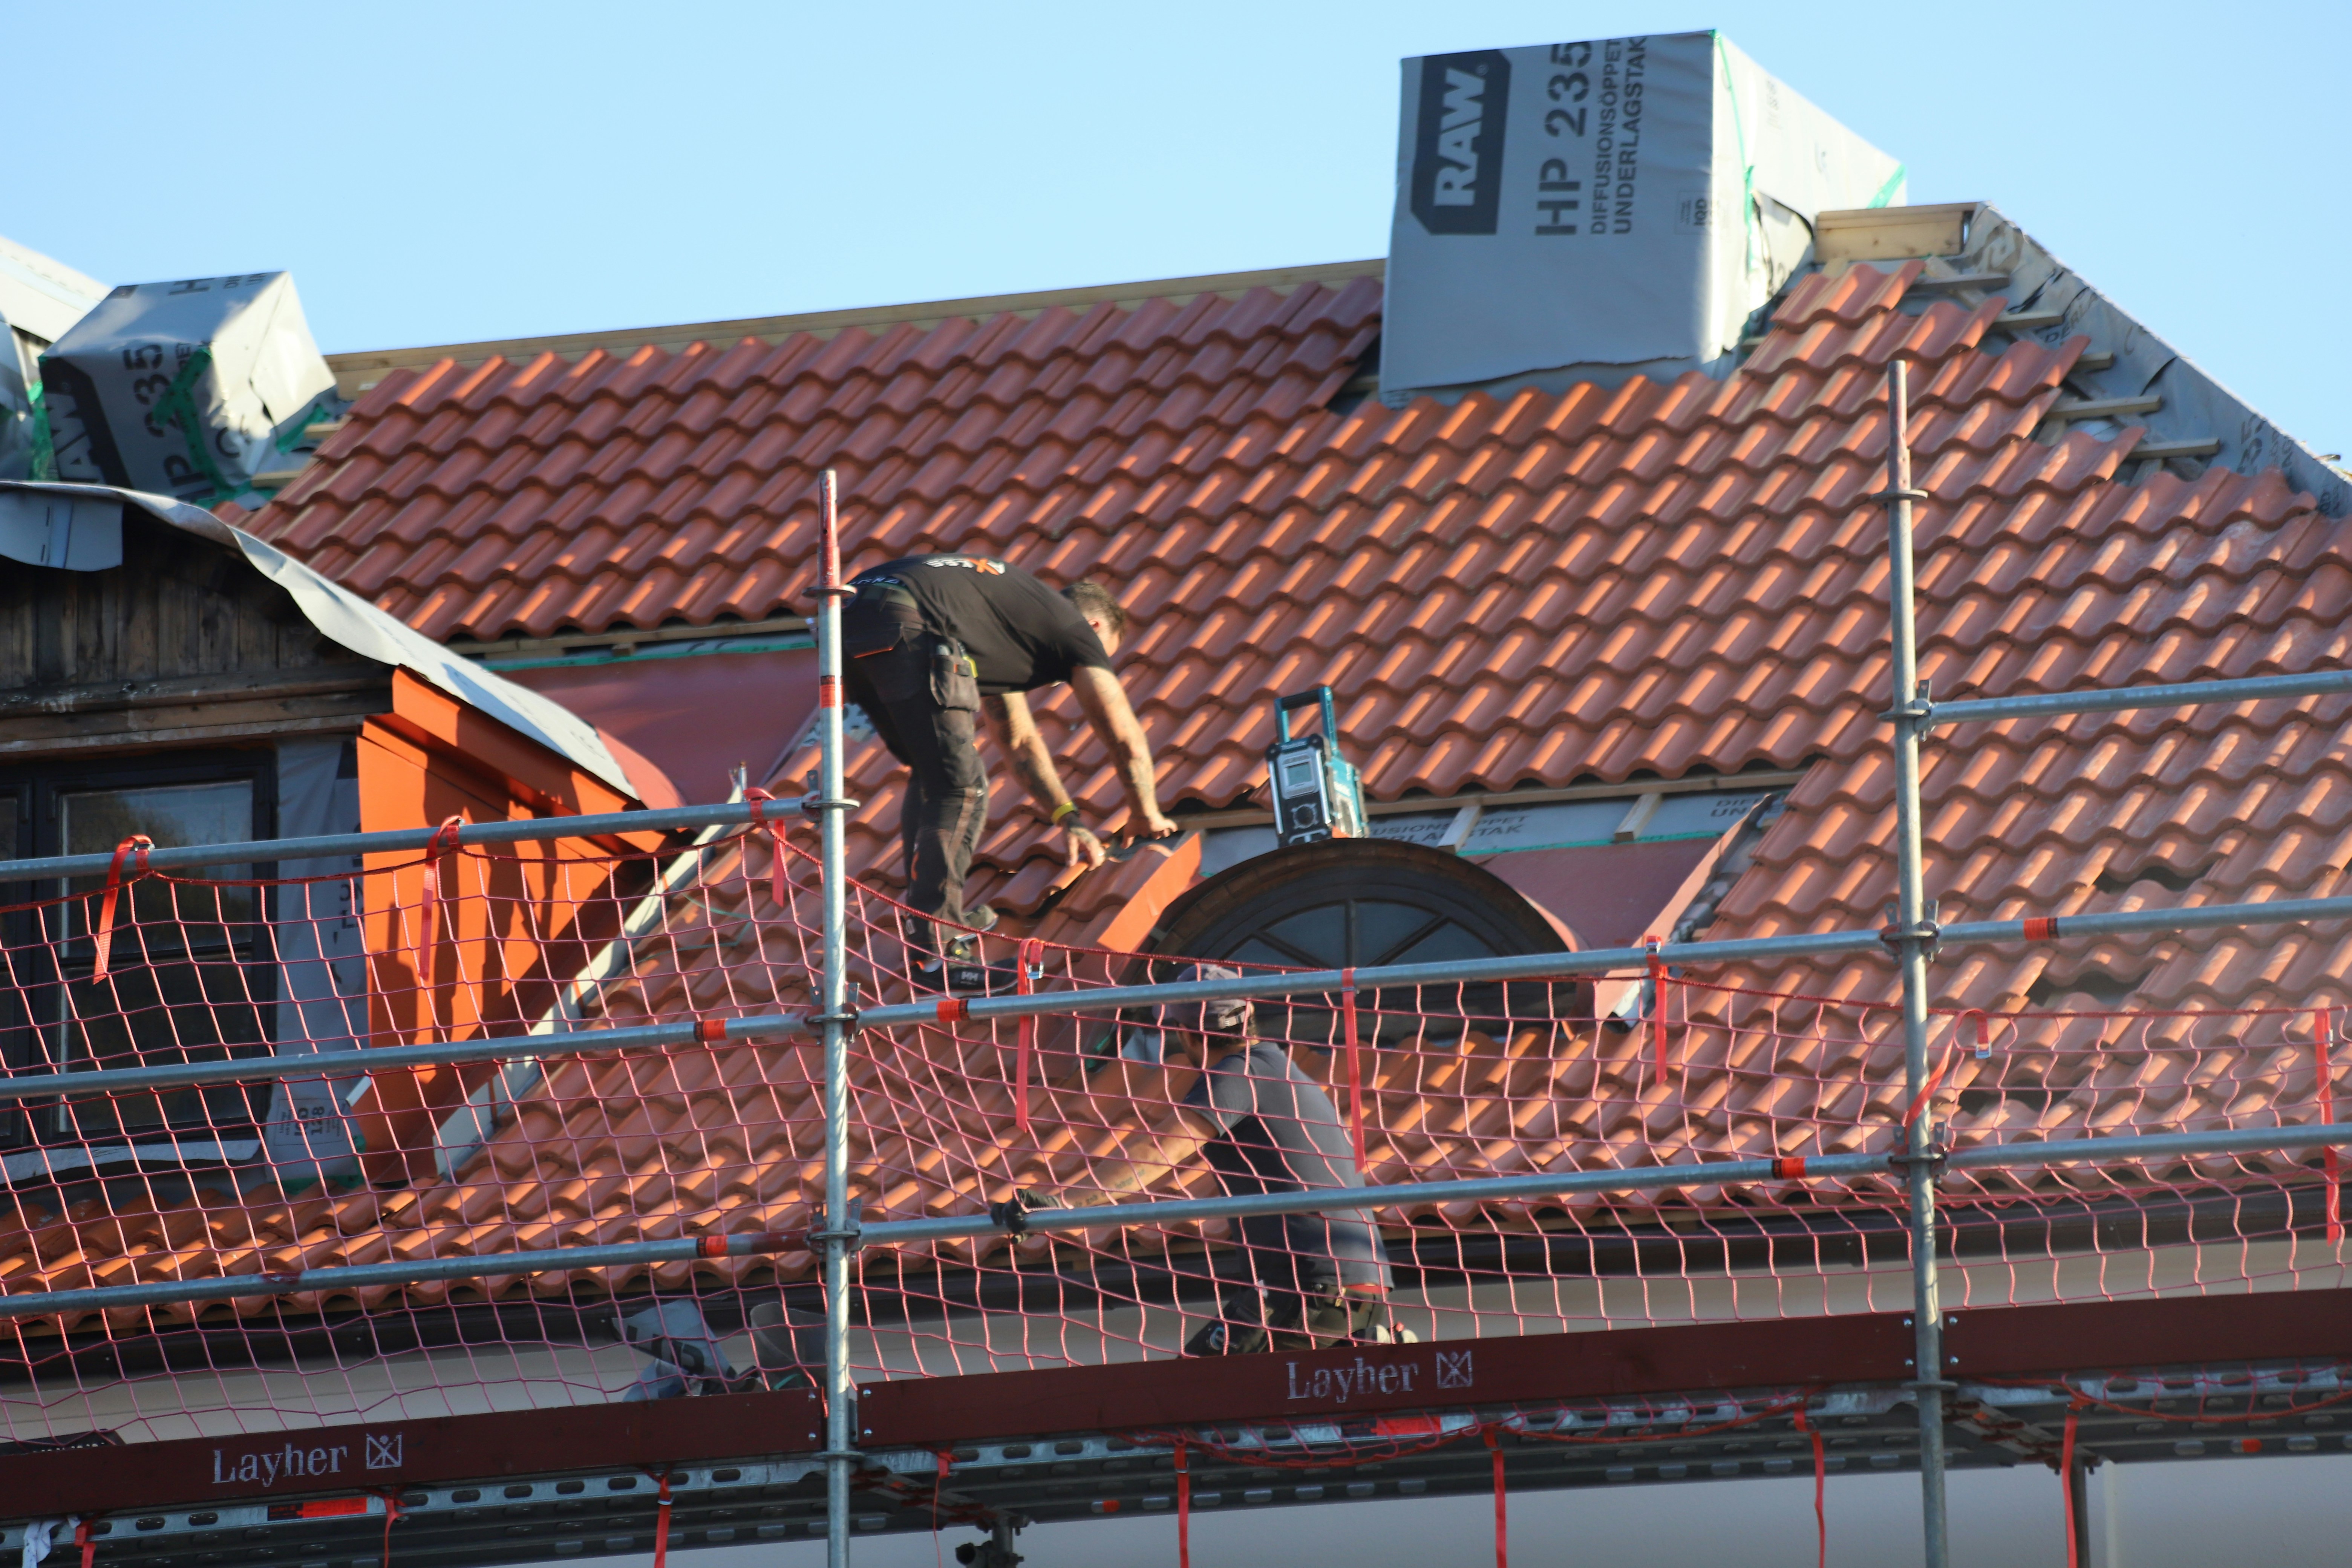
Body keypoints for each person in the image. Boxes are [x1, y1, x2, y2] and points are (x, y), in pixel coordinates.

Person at [840, 555, 1178, 992]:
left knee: (934, 775)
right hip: (906, 623)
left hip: (847, 621)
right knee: (962, 788)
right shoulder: (1073, 629)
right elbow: (1123, 733)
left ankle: (932, 922)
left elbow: (1018, 740)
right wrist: (1145, 811)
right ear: (1094, 628)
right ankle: (936, 952)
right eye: (1101, 653)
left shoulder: (1007, 624)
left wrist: (1067, 817)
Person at [1037, 965, 1399, 1354]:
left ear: (1185, 1033)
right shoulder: (1281, 1071)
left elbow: (1157, 1153)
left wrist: (1060, 1205)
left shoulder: (1239, 1074)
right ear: (1249, 1015)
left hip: (1307, 1288)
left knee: (1196, 1389)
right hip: (1359, 1290)